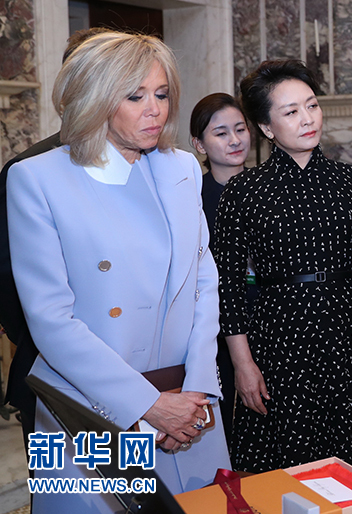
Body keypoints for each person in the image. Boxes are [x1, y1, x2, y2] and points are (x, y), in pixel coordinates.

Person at [7, 31, 230, 513]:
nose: (155, 110)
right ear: (96, 98)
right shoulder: (36, 178)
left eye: (162, 94)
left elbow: (203, 283)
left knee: (200, 505)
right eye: (135, 96)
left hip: (188, 405)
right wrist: (148, 406)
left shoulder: (182, 168)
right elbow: (51, 321)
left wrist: (196, 388)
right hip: (88, 408)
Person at [213, 59, 352, 474]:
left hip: (348, 334)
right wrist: (243, 364)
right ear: (266, 127)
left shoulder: (350, 181)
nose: (307, 119)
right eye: (291, 111)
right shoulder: (243, 191)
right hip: (280, 339)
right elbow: (227, 287)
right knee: (289, 469)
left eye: (312, 105)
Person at [0, 26, 111, 461]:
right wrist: (56, 341)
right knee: (62, 489)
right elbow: (9, 281)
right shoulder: (28, 169)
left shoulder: (151, 163)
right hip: (52, 374)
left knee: (136, 489)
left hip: (140, 378)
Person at [189, 92, 253, 447]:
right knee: (220, 427)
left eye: (240, 129)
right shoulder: (191, 199)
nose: (234, 140)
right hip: (213, 330)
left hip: (268, 321)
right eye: (221, 133)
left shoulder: (268, 188)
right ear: (199, 144)